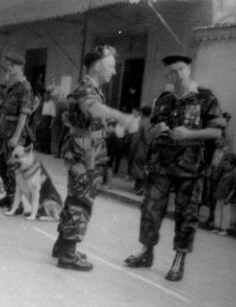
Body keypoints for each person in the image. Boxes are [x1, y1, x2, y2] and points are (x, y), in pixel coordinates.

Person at [124, 54, 224, 282]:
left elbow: (217, 131)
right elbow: (149, 131)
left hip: (190, 167)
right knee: (150, 209)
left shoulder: (205, 98)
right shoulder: (164, 99)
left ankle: (179, 261)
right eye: (172, 72)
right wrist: (155, 131)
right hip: (161, 165)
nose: (177, 75)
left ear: (189, 70)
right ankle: (146, 252)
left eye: (181, 70)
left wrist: (191, 134)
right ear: (167, 75)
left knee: (186, 215)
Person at [52, 46, 139, 271]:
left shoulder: (94, 89)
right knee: (82, 201)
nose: (113, 72)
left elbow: (91, 124)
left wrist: (115, 128)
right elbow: (92, 109)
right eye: (110, 66)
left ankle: (63, 246)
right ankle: (68, 254)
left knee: (75, 198)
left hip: (87, 152)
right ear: (98, 66)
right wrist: (121, 116)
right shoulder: (87, 90)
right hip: (85, 155)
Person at [0, 52, 34, 208]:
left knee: (14, 169)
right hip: (4, 131)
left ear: (19, 67)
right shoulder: (10, 85)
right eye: (8, 65)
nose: (8, 68)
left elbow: (24, 113)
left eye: (11, 66)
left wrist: (16, 136)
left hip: (14, 133)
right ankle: (9, 197)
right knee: (3, 166)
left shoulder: (25, 87)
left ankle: (18, 204)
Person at [212, 153, 236, 236]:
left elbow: (234, 189)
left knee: (225, 213)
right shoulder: (223, 173)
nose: (225, 166)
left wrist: (228, 198)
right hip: (219, 195)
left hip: (226, 197)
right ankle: (217, 226)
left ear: (233, 165)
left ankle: (224, 229)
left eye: (227, 165)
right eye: (224, 164)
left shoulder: (234, 176)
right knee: (217, 212)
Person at [129, 105, 152, 194]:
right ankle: (138, 186)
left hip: (140, 148)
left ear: (141, 113)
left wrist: (132, 148)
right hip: (149, 149)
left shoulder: (141, 123)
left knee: (136, 166)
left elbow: (136, 138)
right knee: (143, 167)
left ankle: (140, 186)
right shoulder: (152, 123)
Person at [36, 88, 57, 154]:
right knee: (40, 134)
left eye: (46, 96)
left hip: (48, 119)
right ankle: (41, 148)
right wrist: (39, 120)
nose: (45, 97)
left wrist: (51, 124)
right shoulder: (43, 103)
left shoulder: (52, 103)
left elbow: (53, 115)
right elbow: (40, 112)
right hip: (42, 119)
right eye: (44, 96)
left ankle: (47, 150)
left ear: (49, 96)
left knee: (47, 135)